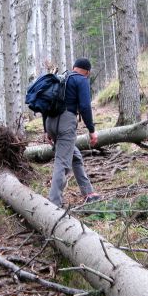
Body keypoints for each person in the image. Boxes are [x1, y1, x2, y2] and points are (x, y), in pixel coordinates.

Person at [44, 57, 100, 208]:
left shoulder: (61, 78)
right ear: (87, 72)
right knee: (62, 162)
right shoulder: (81, 80)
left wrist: (46, 130)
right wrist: (92, 130)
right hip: (66, 123)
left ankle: (88, 192)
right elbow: (85, 107)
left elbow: (46, 103)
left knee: (75, 156)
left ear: (74, 67)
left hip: (50, 121)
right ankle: (54, 203)